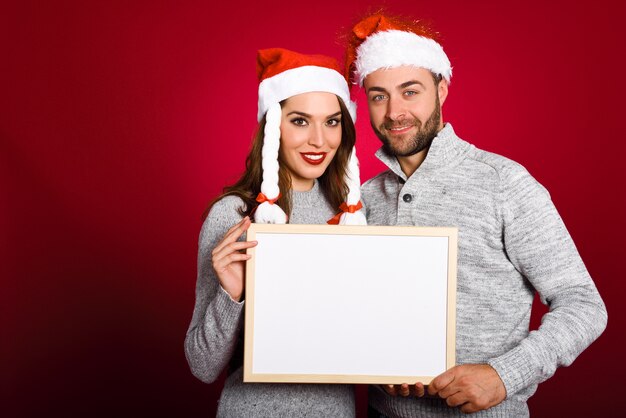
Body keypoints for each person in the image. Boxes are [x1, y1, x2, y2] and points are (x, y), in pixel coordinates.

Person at [345, 13, 607, 418]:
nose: (395, 111)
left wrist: (503, 375)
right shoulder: (362, 199)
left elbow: (584, 305)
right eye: (379, 96)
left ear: (442, 89)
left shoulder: (504, 182)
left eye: (410, 91)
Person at [184, 48, 366, 417]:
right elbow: (202, 367)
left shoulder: (354, 218)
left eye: (332, 122)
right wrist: (230, 293)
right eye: (300, 121)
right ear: (273, 127)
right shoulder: (235, 214)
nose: (319, 140)